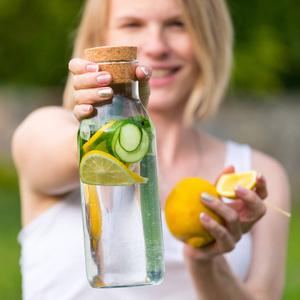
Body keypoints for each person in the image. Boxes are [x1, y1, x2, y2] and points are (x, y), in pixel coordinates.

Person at [12, 0, 290, 299]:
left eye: (178, 24)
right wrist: (115, 116)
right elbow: (70, 156)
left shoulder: (258, 174)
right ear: (98, 42)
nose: (156, 46)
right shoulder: (44, 130)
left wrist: (206, 261)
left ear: (210, 38)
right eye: (132, 24)